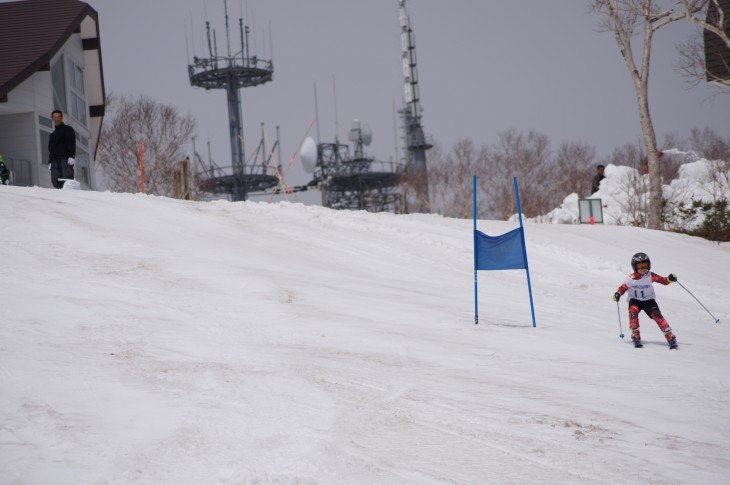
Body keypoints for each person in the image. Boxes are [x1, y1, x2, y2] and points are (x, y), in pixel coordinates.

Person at [613, 252, 678, 349]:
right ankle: (635, 334)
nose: (643, 269)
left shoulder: (650, 276)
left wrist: (669, 279)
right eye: (640, 266)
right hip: (635, 300)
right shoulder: (631, 278)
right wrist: (618, 294)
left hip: (649, 300)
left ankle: (669, 335)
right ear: (635, 267)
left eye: (645, 265)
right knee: (633, 312)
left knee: (657, 315)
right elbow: (623, 288)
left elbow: (663, 281)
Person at [48, 110, 76, 189]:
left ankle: (70, 197)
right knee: (55, 182)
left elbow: (71, 143)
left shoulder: (68, 129)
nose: (56, 119)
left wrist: (72, 155)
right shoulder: (52, 135)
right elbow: (51, 149)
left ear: (61, 118)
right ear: (52, 119)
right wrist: (50, 162)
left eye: (58, 117)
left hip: (65, 159)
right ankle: (61, 196)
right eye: (54, 117)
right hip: (54, 161)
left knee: (68, 181)